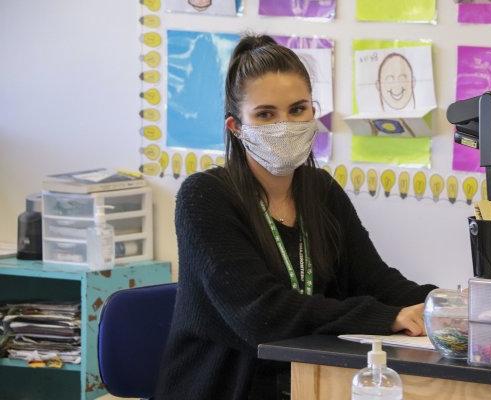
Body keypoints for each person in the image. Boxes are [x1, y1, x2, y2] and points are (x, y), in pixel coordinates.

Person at [155, 34, 436, 400]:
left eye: (297, 109)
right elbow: (261, 316)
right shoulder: (204, 197)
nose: (284, 124)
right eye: (265, 114)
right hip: (225, 387)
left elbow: (374, 280)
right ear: (235, 128)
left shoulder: (320, 191)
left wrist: (443, 309)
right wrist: (387, 317)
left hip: (310, 383)